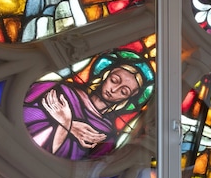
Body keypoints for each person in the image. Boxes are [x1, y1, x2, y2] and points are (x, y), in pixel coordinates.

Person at [24, 50, 154, 159]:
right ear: (105, 75)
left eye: (124, 91)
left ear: (128, 99)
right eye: (114, 80)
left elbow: (84, 166)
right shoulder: (62, 92)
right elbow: (26, 113)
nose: (114, 90)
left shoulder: (106, 136)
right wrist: (68, 125)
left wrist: (66, 123)